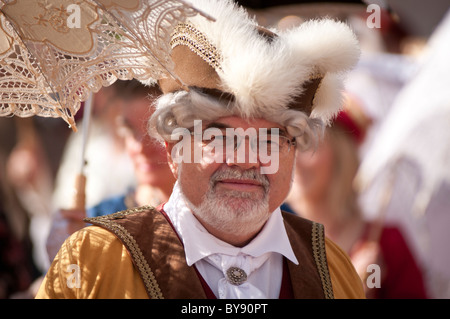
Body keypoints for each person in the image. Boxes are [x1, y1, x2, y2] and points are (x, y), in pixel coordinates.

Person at [36, 0, 364, 299]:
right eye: (219, 137)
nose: (245, 159)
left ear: (293, 153)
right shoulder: (93, 261)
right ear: (172, 147)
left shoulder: (332, 267)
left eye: (269, 141)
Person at [284, 94, 428, 298]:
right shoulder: (264, 243)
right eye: (286, 142)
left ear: (341, 156)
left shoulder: (386, 245)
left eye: (307, 143)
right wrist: (350, 290)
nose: (293, 157)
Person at [45, 80, 175, 262]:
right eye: (130, 130)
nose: (140, 147)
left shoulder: (209, 219)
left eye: (156, 131)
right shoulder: (98, 222)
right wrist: (65, 262)